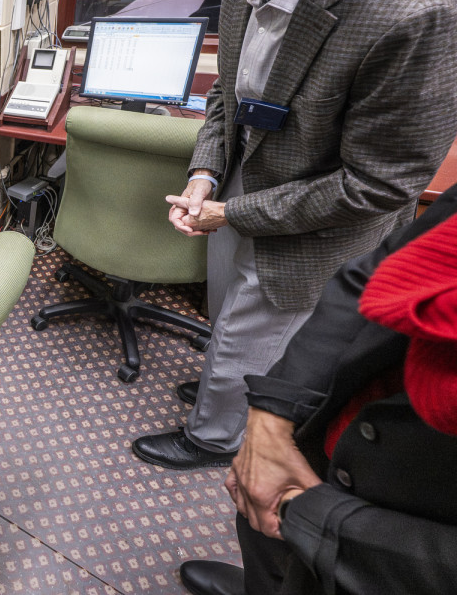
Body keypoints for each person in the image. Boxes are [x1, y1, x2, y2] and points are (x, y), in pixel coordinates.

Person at [131, 0, 457, 470]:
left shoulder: (409, 10)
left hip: (322, 223)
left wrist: (234, 210)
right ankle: (223, 390)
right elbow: (226, 97)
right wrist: (203, 175)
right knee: (231, 323)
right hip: (241, 188)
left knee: (263, 335)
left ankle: (212, 437)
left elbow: (379, 184)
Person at [178, 182, 457, 595]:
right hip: (341, 418)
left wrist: (311, 516)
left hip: (405, 534)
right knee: (264, 535)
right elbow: (368, 276)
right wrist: (271, 420)